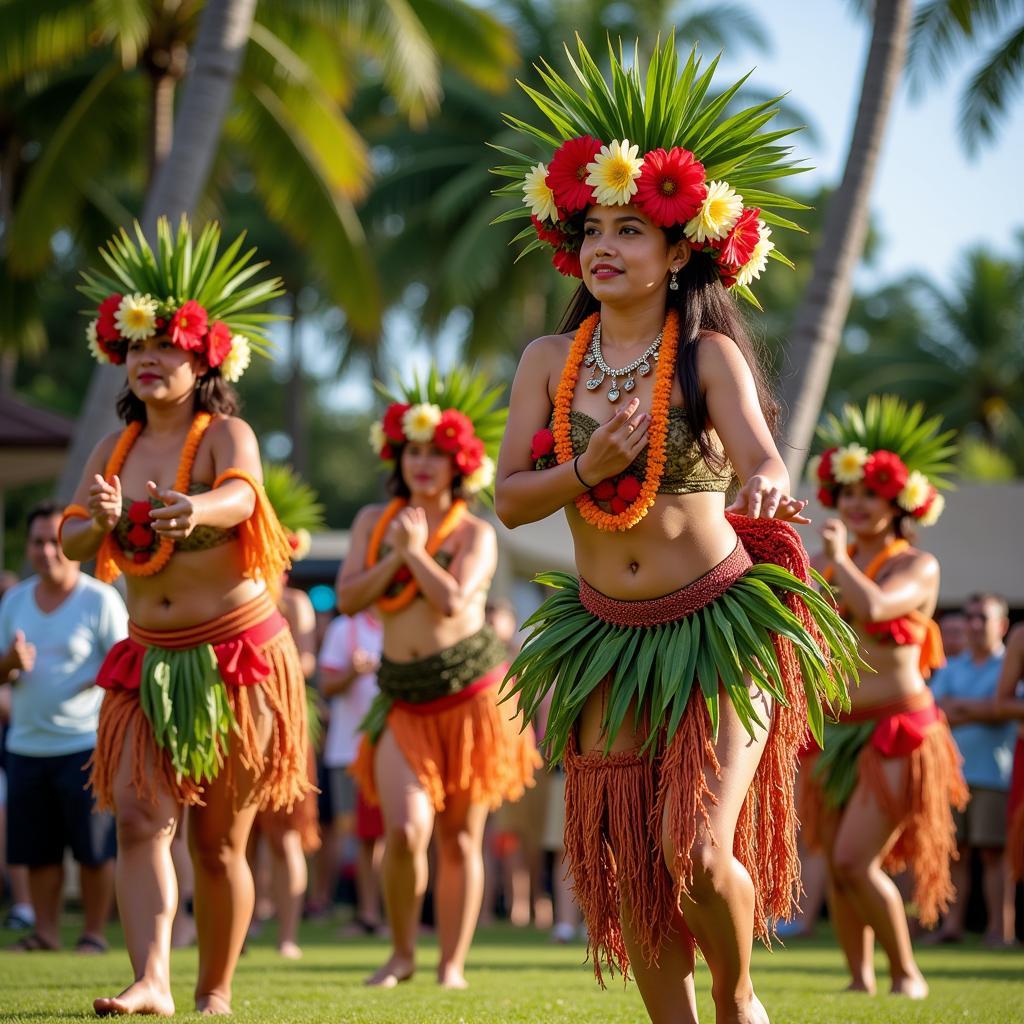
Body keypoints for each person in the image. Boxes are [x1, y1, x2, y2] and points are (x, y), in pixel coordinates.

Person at [493, 38, 859, 1024]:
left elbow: (759, 454)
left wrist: (774, 486)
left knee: (693, 852)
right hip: (605, 634)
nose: (605, 245)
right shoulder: (545, 359)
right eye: (592, 228)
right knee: (629, 871)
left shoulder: (703, 358)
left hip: (717, 627)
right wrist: (588, 470)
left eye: (631, 228)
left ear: (680, 247)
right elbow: (511, 497)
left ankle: (738, 999)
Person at [59, 217, 310, 1016]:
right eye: (137, 345)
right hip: (146, 656)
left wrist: (193, 507)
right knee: (139, 818)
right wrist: (99, 520)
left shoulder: (224, 433)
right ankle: (152, 981)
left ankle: (215, 988)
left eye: (166, 344)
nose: (149, 357)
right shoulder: (115, 448)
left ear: (204, 357)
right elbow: (68, 540)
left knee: (219, 840)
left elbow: (242, 496)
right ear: (120, 359)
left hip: (237, 658)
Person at [339, 369, 539, 989]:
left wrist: (416, 552)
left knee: (459, 838)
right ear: (398, 456)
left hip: (471, 700)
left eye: (437, 454)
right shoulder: (375, 521)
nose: (424, 464)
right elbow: (348, 599)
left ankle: (450, 964)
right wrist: (397, 552)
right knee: (404, 830)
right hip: (404, 701)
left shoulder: (476, 533)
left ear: (461, 464)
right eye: (414, 452)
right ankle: (402, 952)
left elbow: (454, 600)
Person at [801, 396, 968, 995]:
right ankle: (859, 980)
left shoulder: (917, 566)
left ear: (898, 505)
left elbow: (873, 607)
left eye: (870, 494)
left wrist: (838, 559)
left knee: (852, 861)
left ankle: (907, 972)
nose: (856, 504)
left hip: (898, 730)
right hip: (835, 731)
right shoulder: (826, 565)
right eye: (849, 494)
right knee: (840, 869)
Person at [0, 502, 126, 953]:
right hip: (26, 746)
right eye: (38, 542)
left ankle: (93, 933)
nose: (47, 551)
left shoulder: (100, 599)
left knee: (94, 849)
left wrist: (98, 680)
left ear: (72, 546)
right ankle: (46, 933)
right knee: (38, 850)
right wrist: (9, 664)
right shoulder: (14, 602)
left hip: (84, 744)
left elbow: (125, 663)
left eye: (55, 541)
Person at [248, 465, 325, 959]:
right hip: (240, 727)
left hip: (284, 730)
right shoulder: (240, 600)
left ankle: (289, 937)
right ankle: (247, 925)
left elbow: (308, 660)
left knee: (285, 838)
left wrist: (265, 661)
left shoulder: (295, 604)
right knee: (241, 839)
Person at [930, 594, 1015, 945]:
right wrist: (985, 708)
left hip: (993, 774)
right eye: (970, 617)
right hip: (952, 777)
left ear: (1002, 625)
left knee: (994, 855)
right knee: (956, 855)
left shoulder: (1010, 664)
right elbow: (934, 710)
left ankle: (1000, 930)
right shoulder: (952, 668)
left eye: (983, 617)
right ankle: (952, 928)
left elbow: (1008, 708)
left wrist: (961, 708)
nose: (974, 624)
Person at [318, 607, 384, 933]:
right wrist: (353, 673)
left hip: (392, 751)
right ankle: (367, 913)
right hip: (349, 751)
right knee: (360, 836)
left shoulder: (408, 623)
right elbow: (327, 685)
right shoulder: (345, 629)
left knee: (394, 835)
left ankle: (388, 915)